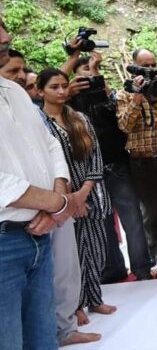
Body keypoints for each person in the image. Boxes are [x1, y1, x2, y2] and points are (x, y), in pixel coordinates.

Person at [0, 15, 87, 350]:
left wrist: (58, 201)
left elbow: (50, 145)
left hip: (36, 236)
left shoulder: (15, 91)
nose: (6, 39)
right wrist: (57, 204)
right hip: (4, 241)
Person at [38, 69, 117, 323]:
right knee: (74, 256)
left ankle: (95, 298)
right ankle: (76, 304)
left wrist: (84, 192)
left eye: (64, 85)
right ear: (40, 91)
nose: (61, 91)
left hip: (92, 192)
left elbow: (96, 156)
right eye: (54, 87)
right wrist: (72, 197)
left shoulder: (79, 117)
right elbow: (51, 163)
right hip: (65, 197)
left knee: (97, 248)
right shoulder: (40, 124)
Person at [66, 53, 153, 282]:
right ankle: (113, 269)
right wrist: (69, 94)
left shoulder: (108, 96)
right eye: (84, 71)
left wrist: (98, 79)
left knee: (132, 219)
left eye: (93, 70)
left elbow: (119, 117)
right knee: (103, 222)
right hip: (89, 171)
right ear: (74, 77)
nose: (89, 76)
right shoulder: (68, 103)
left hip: (117, 164)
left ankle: (142, 269)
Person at [116, 48, 157, 278]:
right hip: (141, 162)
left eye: (153, 64)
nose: (150, 70)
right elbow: (124, 126)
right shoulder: (124, 93)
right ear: (134, 66)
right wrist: (138, 98)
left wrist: (156, 100)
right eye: (144, 66)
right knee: (155, 215)